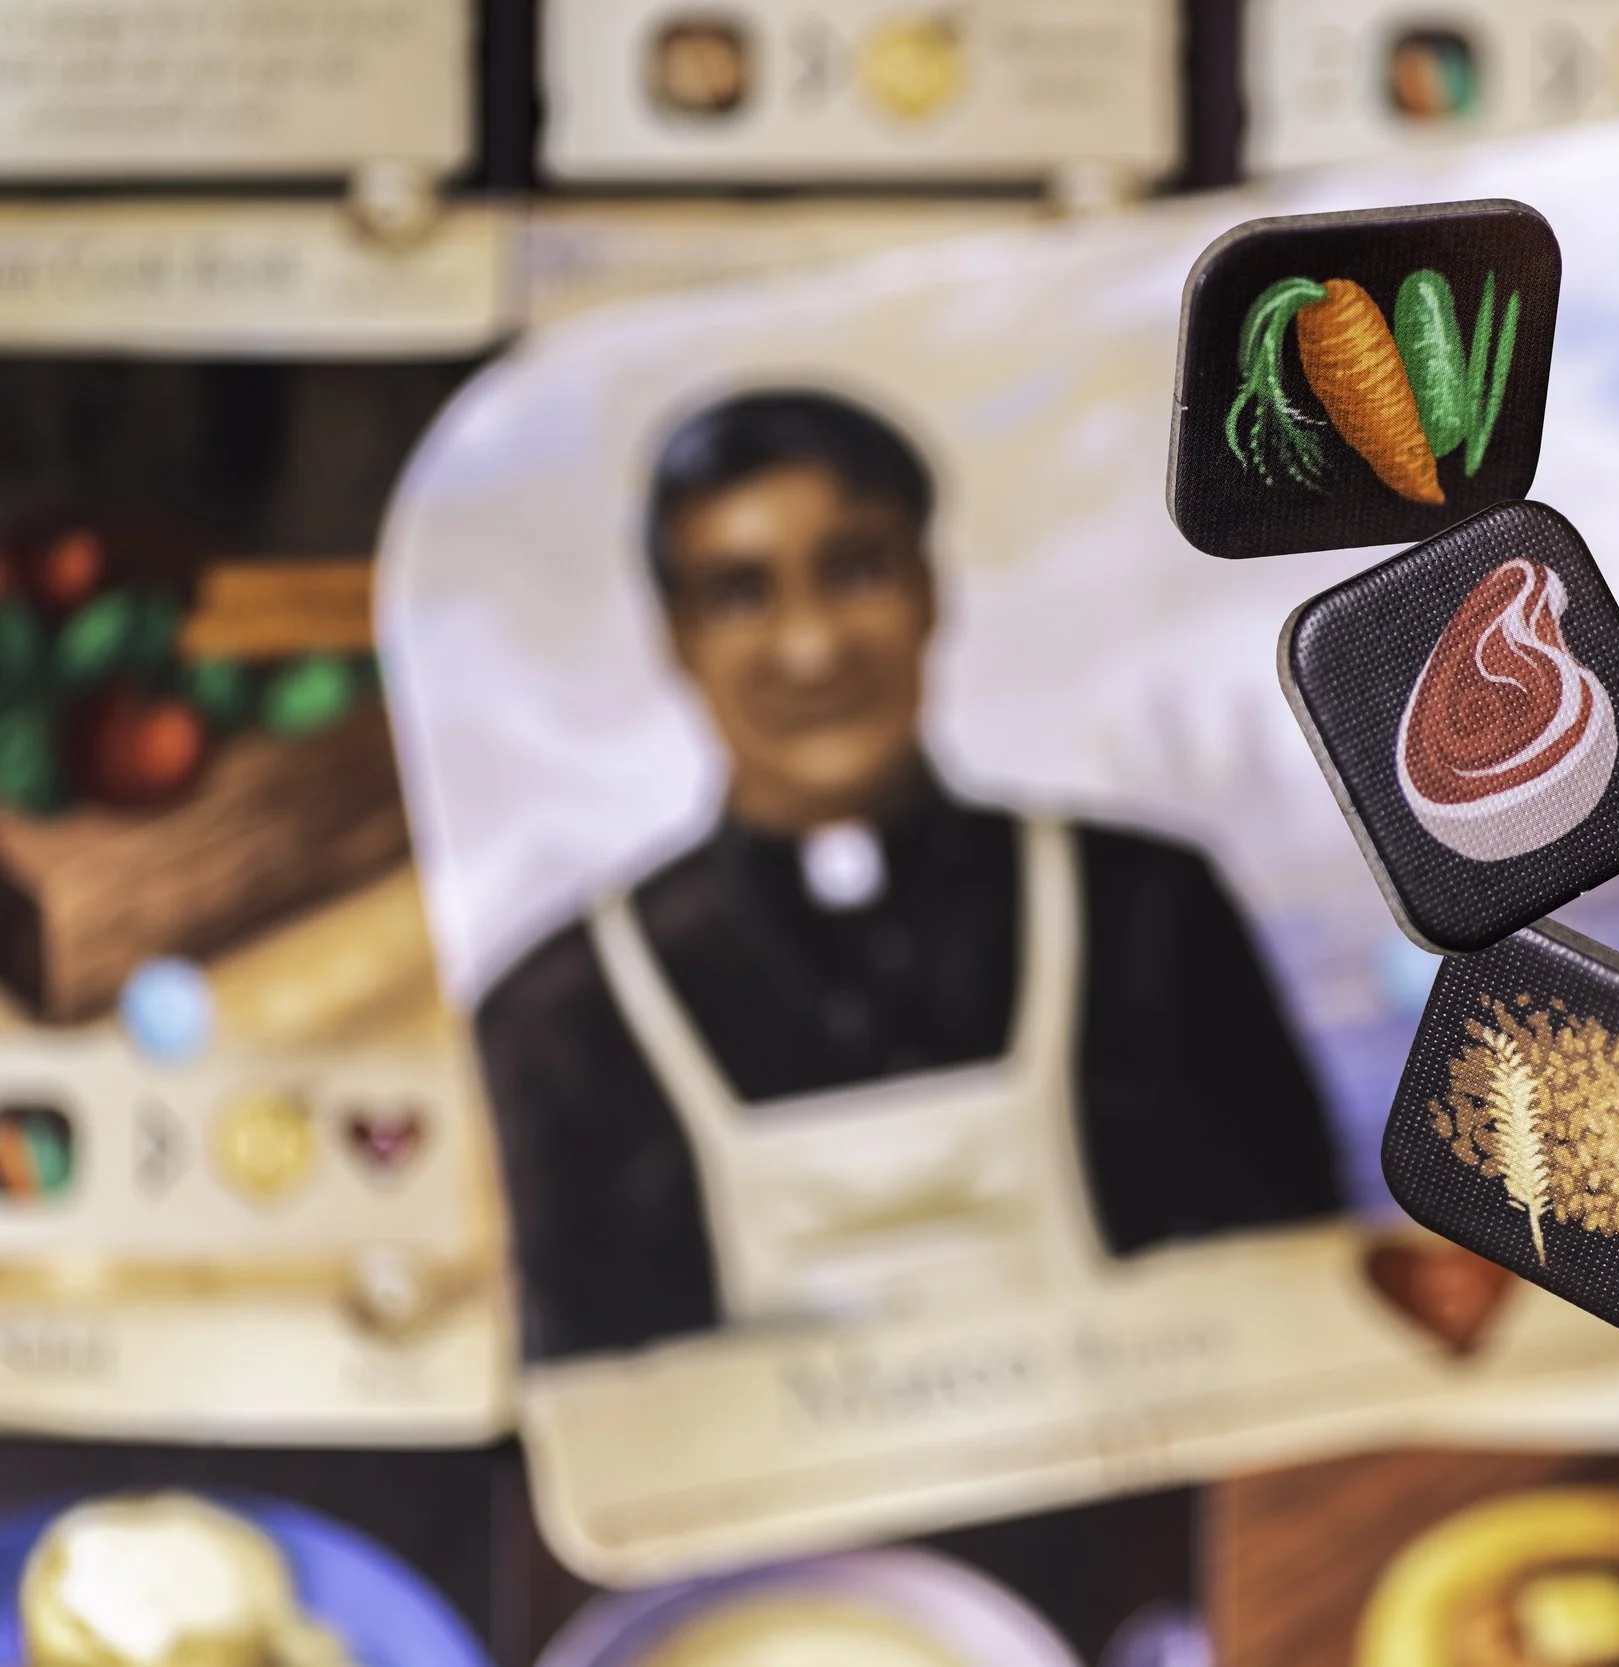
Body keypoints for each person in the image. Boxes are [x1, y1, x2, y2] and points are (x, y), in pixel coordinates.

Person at [475, 389, 1343, 1365]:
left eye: (855, 570)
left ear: (931, 589)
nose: (811, 647)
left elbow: (1299, 1287)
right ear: (675, 638)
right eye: (739, 594)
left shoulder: (1147, 911)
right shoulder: (560, 1017)